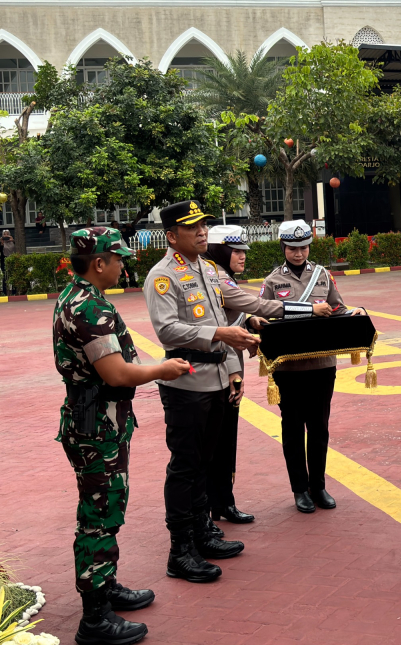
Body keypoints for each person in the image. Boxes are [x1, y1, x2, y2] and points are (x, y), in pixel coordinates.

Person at [54, 227, 192, 645]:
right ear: (99, 263)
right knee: (100, 516)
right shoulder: (89, 309)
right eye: (119, 260)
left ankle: (105, 586)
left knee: (103, 509)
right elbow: (116, 373)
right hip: (98, 426)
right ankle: (95, 619)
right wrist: (163, 370)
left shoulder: (76, 297)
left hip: (97, 419)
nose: (122, 267)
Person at [144, 200, 260, 583]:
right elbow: (168, 330)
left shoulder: (209, 269)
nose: (202, 232)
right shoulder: (162, 276)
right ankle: (180, 550)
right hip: (186, 384)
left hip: (216, 380)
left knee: (206, 464)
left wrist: (231, 371)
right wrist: (219, 333)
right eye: (192, 227)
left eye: (204, 225)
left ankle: (202, 531)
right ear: (171, 236)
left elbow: (236, 309)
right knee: (186, 466)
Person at [259, 219, 362, 512]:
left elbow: (337, 307)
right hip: (288, 369)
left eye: (303, 247)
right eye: (293, 248)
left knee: (319, 427)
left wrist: (353, 313)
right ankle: (299, 490)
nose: (298, 253)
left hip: (321, 365)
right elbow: (262, 316)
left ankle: (318, 486)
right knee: (293, 429)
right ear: (284, 247)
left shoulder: (322, 275)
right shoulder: (272, 281)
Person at [203, 225, 280, 526]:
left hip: (230, 368)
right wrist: (304, 308)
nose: (242, 256)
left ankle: (223, 502)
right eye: (235, 251)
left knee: (226, 438)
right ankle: (211, 506)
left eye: (243, 250)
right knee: (213, 441)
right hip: (213, 370)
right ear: (220, 251)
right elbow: (247, 302)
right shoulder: (215, 277)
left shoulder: (220, 276)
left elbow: (234, 310)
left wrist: (249, 319)